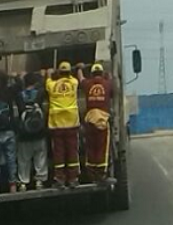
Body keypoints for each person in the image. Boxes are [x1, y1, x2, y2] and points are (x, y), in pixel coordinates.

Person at [45, 61, 81, 189]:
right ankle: (73, 179)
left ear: (59, 72)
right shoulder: (74, 83)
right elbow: (75, 78)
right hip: (72, 123)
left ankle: (59, 179)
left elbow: (48, 80)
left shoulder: (52, 84)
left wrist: (49, 73)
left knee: (58, 153)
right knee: (72, 152)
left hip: (57, 124)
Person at [78, 63, 114, 184]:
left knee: (90, 148)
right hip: (102, 122)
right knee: (102, 149)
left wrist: (79, 69)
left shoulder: (88, 84)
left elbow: (81, 79)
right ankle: (101, 174)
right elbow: (113, 87)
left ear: (92, 74)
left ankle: (91, 173)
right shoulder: (107, 84)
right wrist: (108, 76)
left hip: (90, 122)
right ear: (102, 73)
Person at [16, 72, 49, 192]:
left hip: (24, 134)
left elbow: (15, 89)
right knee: (40, 157)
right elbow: (45, 87)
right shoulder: (39, 93)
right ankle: (39, 180)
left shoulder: (20, 95)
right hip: (39, 132)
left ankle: (23, 182)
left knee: (23, 159)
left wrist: (17, 78)